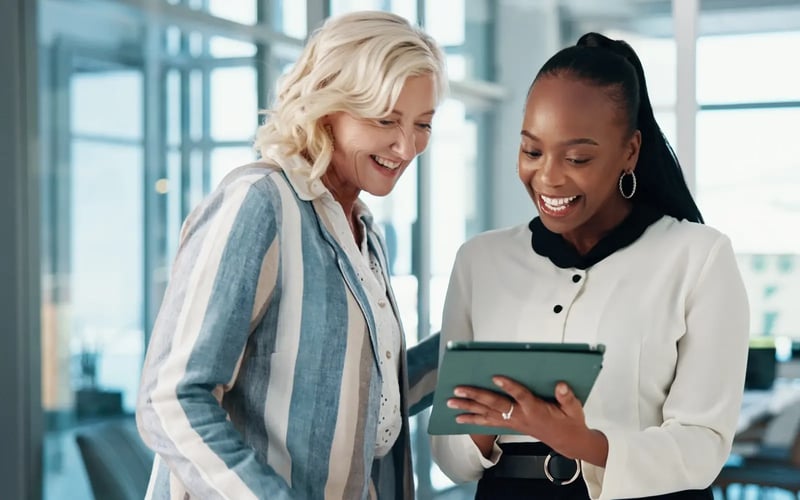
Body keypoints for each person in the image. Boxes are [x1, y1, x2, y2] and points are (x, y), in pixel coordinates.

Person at [136, 11, 445, 500]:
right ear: (328, 106)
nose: (406, 146)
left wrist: (470, 346)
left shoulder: (362, 231)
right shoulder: (260, 203)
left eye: (423, 124)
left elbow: (361, 402)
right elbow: (170, 399)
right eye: (385, 119)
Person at [430, 32, 749, 500]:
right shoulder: (480, 261)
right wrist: (493, 421)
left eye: (577, 157)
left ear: (630, 152)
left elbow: (705, 444)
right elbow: (449, 453)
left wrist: (585, 443)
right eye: (532, 151)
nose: (549, 177)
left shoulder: (698, 257)